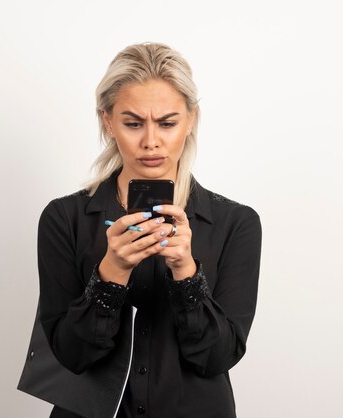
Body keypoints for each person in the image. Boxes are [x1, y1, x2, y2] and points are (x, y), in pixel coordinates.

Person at [20, 42, 262, 418]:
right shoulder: (63, 218)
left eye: (167, 122)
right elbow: (71, 356)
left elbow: (218, 357)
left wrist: (186, 271)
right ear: (108, 121)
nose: (151, 141)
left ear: (191, 119)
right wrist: (110, 274)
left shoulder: (236, 223)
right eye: (133, 123)